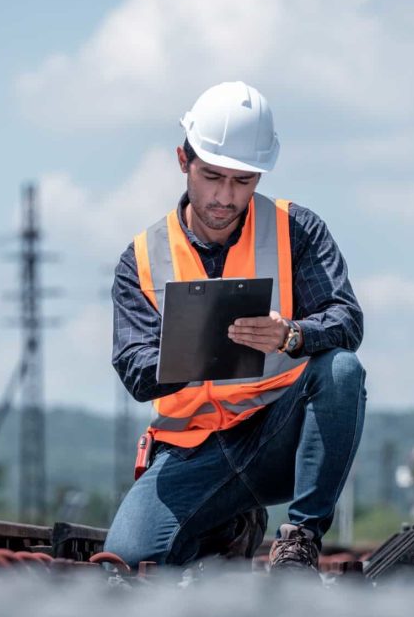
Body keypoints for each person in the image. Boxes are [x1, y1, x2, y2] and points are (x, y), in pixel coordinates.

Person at [104, 81, 366, 572]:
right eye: (212, 177)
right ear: (184, 160)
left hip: (277, 440)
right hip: (192, 450)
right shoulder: (140, 259)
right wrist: (196, 344)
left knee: (342, 370)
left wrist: (293, 334)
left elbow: (347, 320)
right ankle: (228, 524)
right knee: (130, 562)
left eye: (243, 181)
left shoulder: (297, 231)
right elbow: (136, 373)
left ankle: (300, 540)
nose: (225, 197)